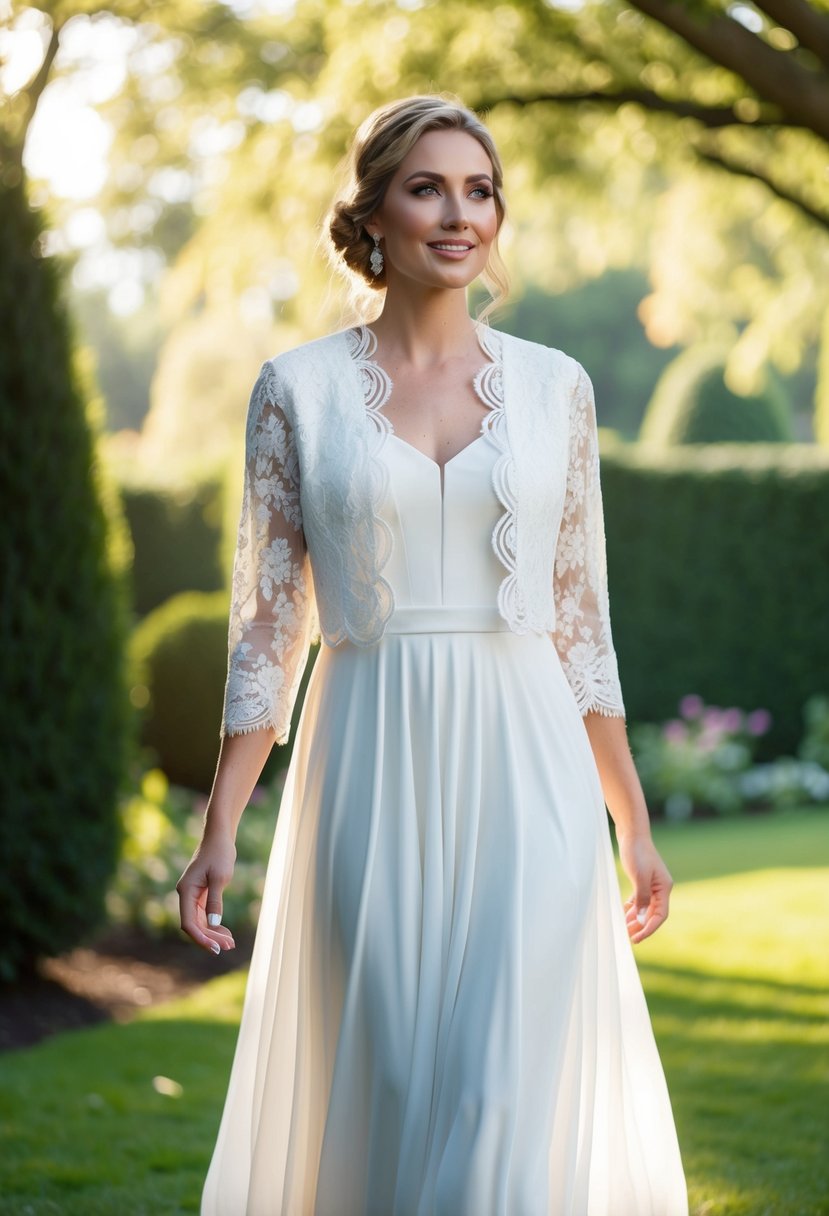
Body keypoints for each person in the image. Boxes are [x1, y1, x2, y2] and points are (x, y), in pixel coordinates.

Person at [177, 93, 688, 1216]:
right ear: (372, 217)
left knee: (500, 1083)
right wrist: (220, 828)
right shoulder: (295, 391)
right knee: (401, 1077)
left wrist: (631, 820)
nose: (459, 215)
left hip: (532, 757)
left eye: (479, 189)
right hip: (367, 752)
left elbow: (578, 619)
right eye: (427, 187)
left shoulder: (558, 387)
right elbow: (269, 628)